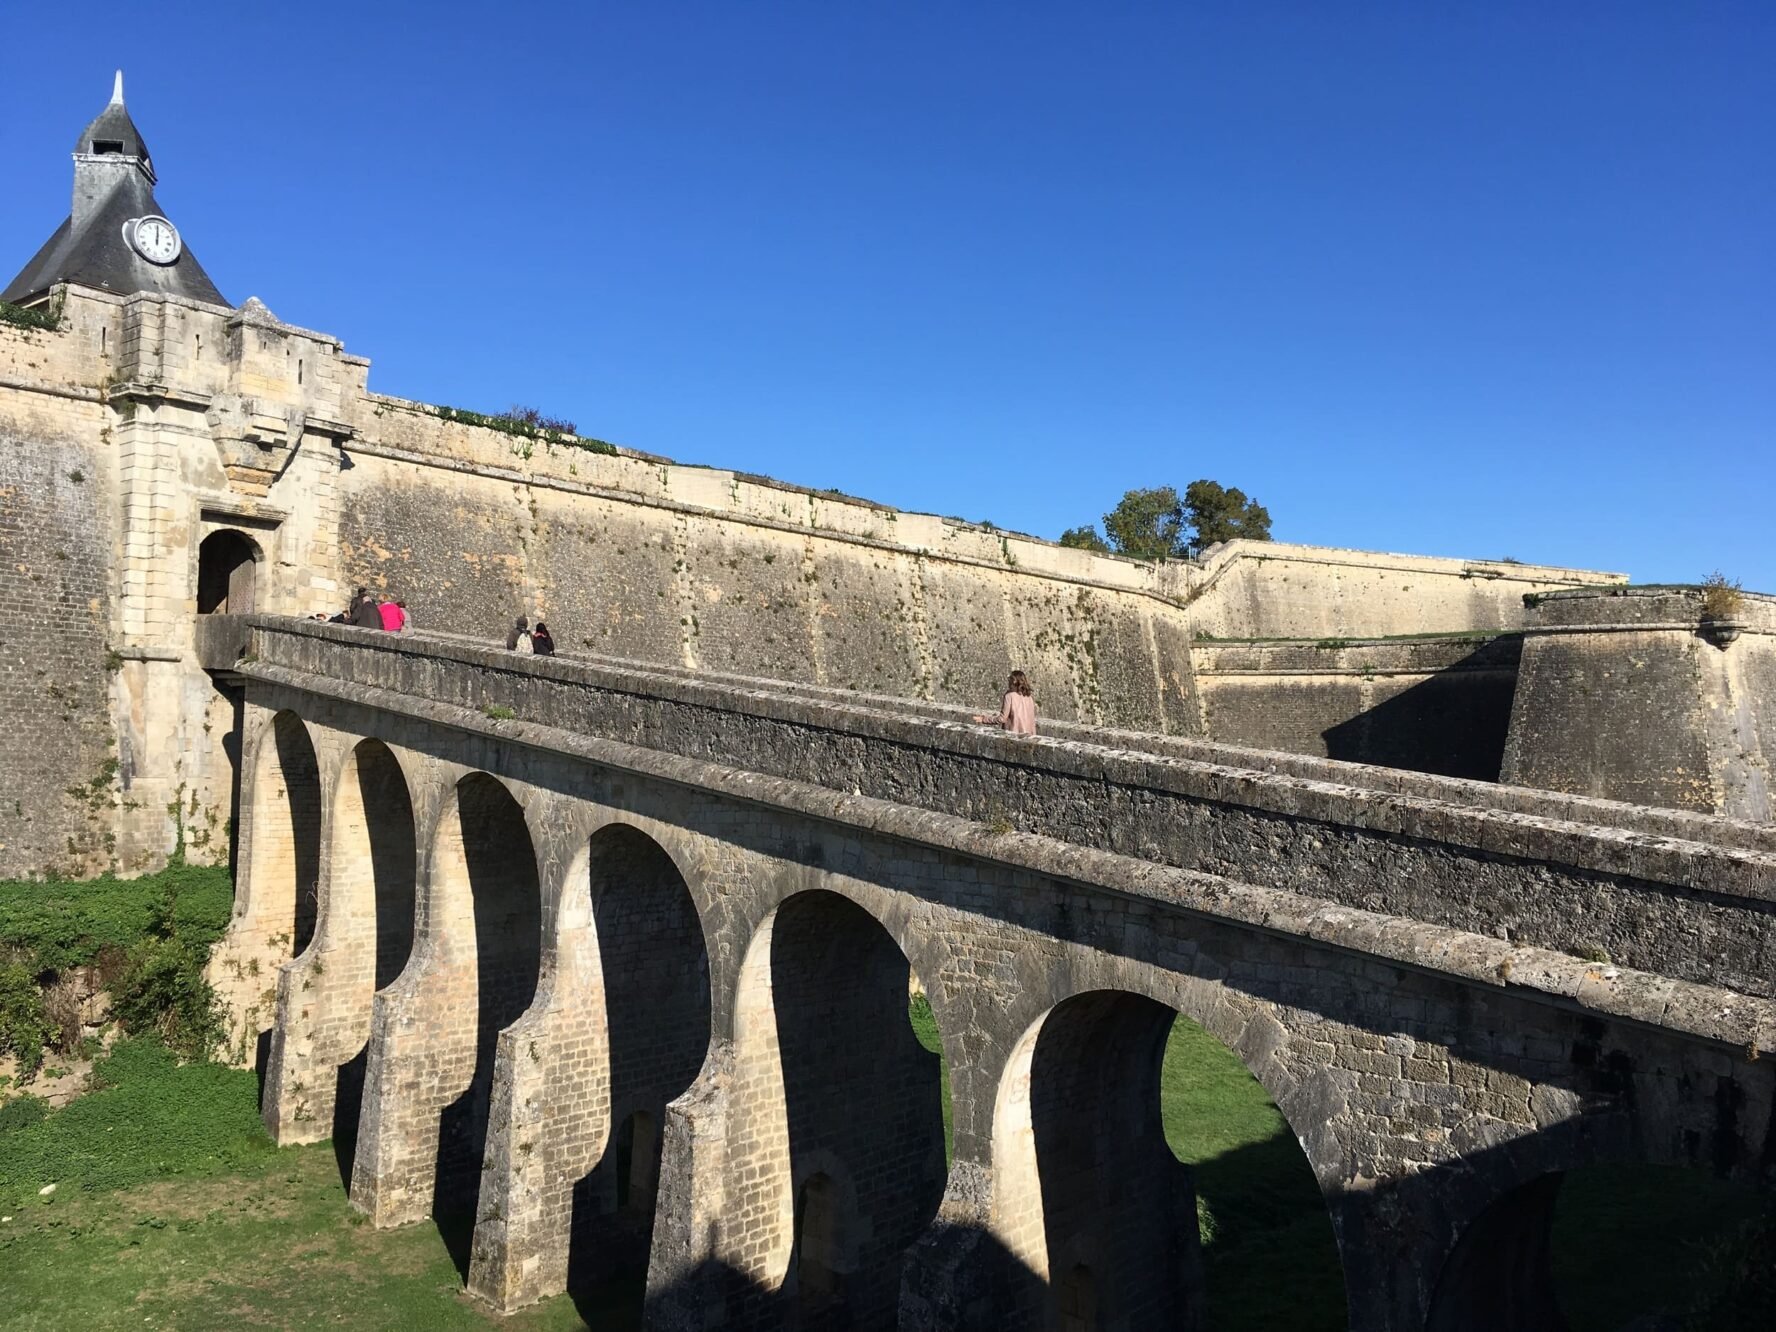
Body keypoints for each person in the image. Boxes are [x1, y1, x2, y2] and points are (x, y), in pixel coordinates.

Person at [974, 669, 1038, 736]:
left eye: (1009, 679)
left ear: (1013, 681)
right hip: (1030, 736)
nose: (1008, 681)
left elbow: (1002, 719)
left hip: (1014, 736)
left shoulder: (1009, 696)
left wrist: (984, 719)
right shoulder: (1029, 697)